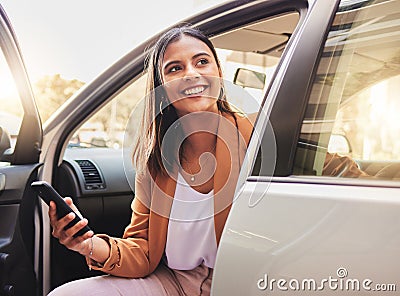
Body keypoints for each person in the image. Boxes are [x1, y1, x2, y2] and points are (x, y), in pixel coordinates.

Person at [48, 26, 253, 295]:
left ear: (219, 73)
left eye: (202, 62)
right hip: (175, 282)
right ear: (162, 89)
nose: (191, 73)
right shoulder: (154, 164)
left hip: (240, 282)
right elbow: (141, 249)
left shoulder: (254, 133)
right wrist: (87, 245)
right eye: (175, 68)